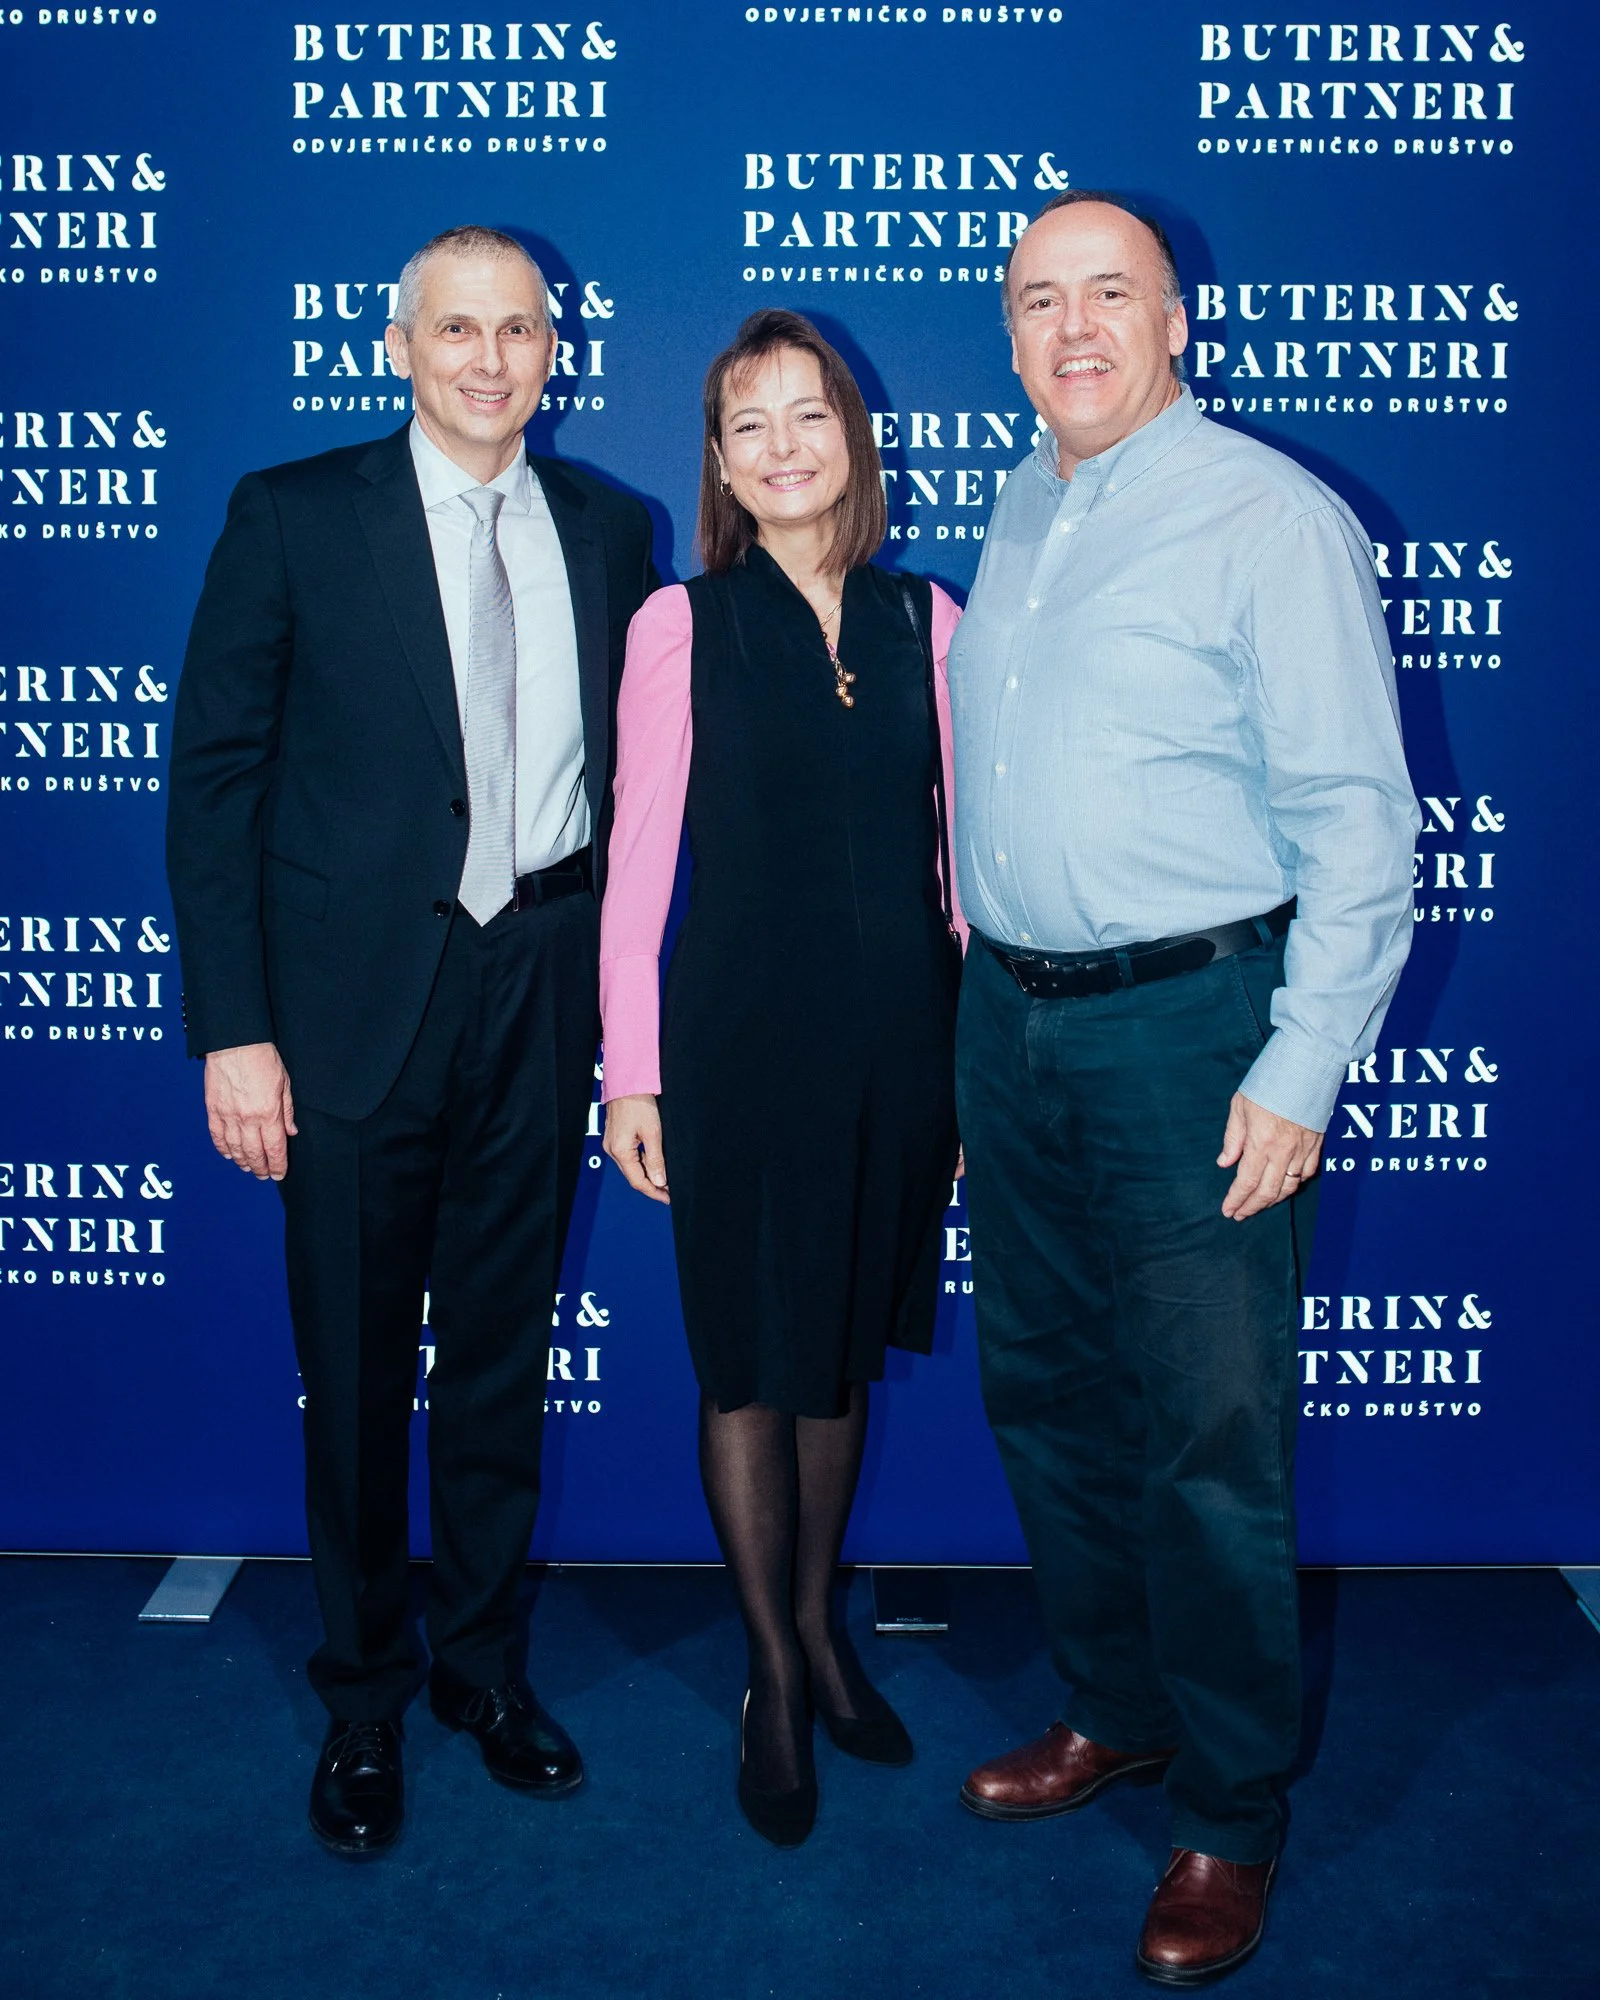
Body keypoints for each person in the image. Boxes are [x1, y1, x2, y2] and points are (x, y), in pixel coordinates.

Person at [949, 192, 1418, 1984]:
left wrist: (1299, 1066)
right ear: (1008, 338)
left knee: (1212, 1441)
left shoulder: (1267, 518)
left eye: (1110, 296)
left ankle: (1227, 1810)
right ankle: (1116, 1709)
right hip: (1014, 1021)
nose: (1074, 329)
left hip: (1193, 1030)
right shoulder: (1018, 508)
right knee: (1049, 1398)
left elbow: (1360, 825)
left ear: (1177, 323)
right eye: (1039, 301)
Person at [165, 225, 657, 1858]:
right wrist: (234, 1031)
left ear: (550, 352)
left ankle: (484, 1672)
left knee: (502, 1359)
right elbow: (215, 785)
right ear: (398, 346)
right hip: (351, 1011)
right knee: (363, 1375)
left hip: (541, 984)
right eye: (456, 328)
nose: (487, 358)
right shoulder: (294, 515)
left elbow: (639, 796)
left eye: (517, 330)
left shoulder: (609, 528)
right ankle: (365, 1698)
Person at [599, 309, 963, 1847]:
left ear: (854, 437)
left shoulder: (929, 618)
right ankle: (767, 1669)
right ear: (721, 463)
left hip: (902, 1045)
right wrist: (633, 1069)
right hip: (739, 1046)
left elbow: (959, 865)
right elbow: (637, 871)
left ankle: (820, 1632)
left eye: (806, 416)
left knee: (835, 1359)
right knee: (751, 1359)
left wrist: (966, 1059)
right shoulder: (683, 625)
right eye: (748, 425)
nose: (782, 447)